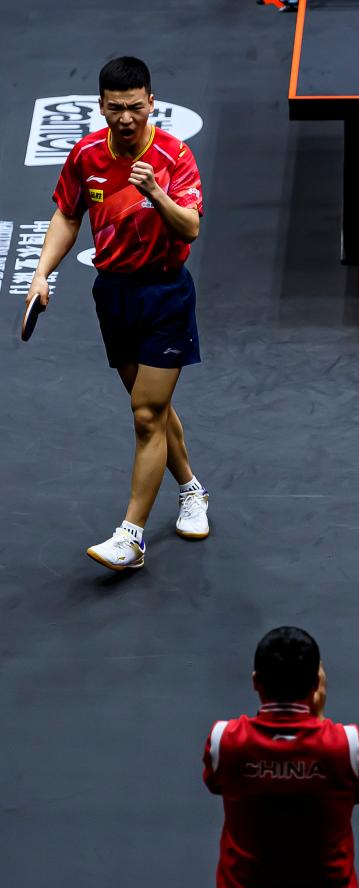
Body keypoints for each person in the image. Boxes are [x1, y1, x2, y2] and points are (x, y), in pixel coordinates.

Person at [26, 56, 209, 571]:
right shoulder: (86, 154)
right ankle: (192, 489)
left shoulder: (174, 156)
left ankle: (131, 538)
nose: (125, 118)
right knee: (152, 408)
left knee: (147, 415)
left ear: (151, 102)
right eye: (114, 108)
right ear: (101, 106)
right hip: (113, 294)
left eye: (134, 107)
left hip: (165, 294)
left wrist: (154, 191)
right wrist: (41, 273)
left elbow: (190, 226)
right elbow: (67, 214)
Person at [203, 627, 359, 888]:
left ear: (256, 681)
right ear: (316, 683)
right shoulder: (346, 745)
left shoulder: (225, 740)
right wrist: (317, 721)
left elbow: (215, 782)